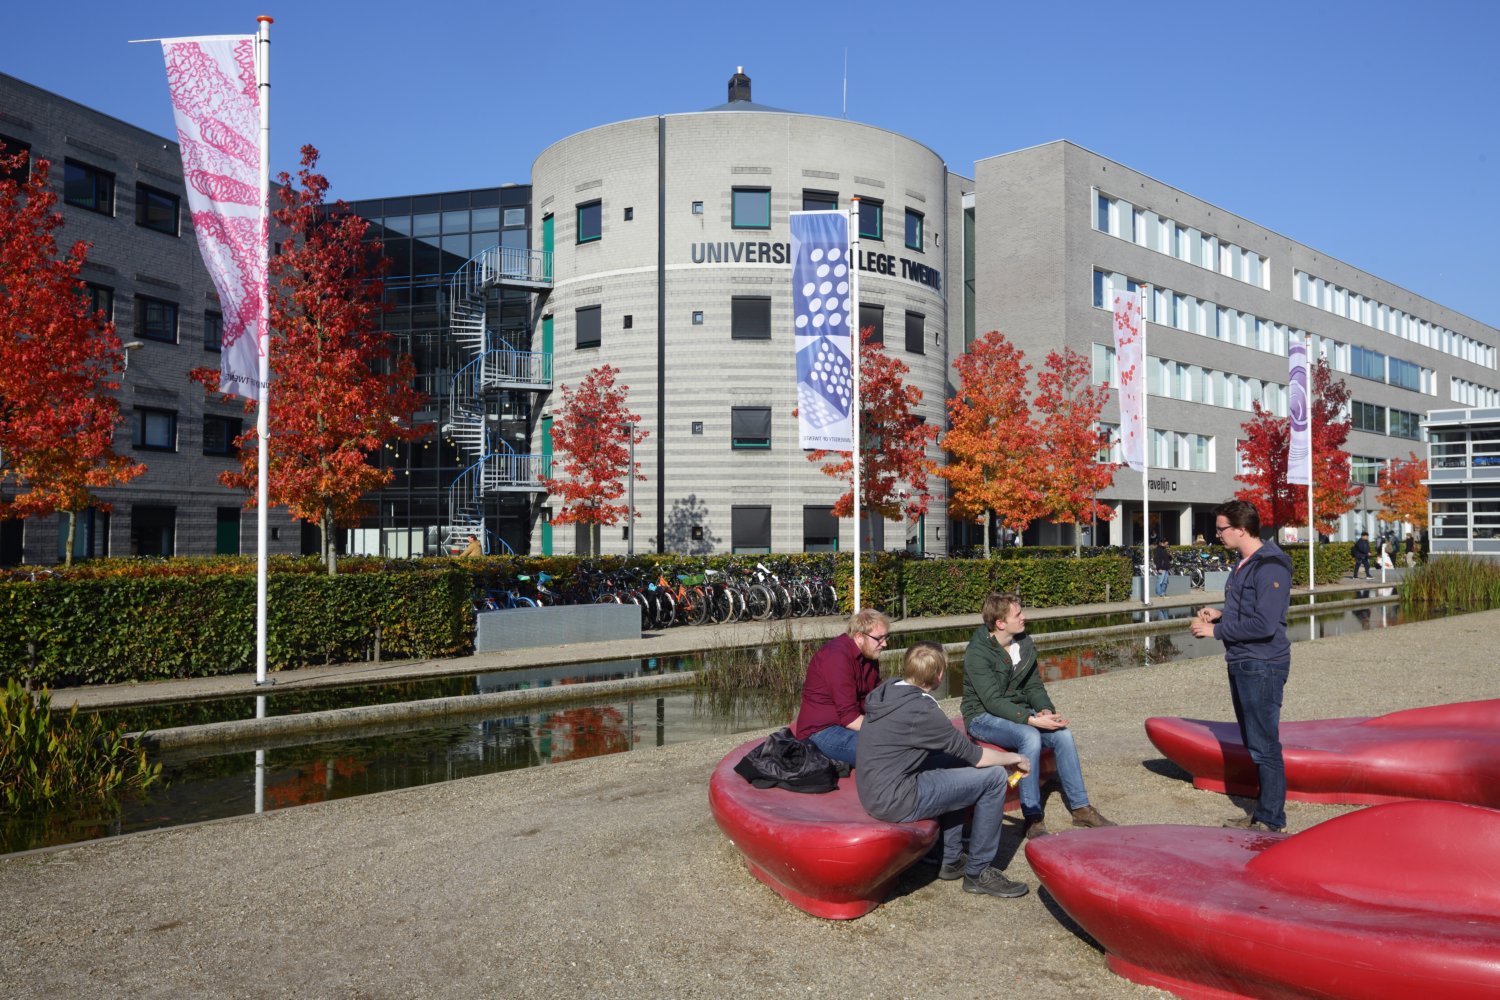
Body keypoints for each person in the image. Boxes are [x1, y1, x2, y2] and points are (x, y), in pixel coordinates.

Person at [856, 641, 1031, 899]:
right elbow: (978, 757)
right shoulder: (923, 711)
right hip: (895, 799)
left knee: (956, 763)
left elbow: (958, 754)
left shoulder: (890, 691)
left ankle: (949, 858)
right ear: (939, 675)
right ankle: (978, 872)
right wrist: (1015, 758)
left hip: (875, 790)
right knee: (993, 778)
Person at [961, 592, 1116, 838]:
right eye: (1018, 614)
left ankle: (1081, 808)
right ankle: (1032, 816)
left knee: (1063, 735)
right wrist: (1032, 720)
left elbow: (1033, 686)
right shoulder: (977, 652)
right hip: (982, 716)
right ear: (1000, 623)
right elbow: (991, 701)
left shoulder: (1023, 643)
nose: (1024, 617)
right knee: (1030, 737)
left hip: (1016, 712)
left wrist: (1045, 710)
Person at [1189, 500, 1293, 833]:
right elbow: (1250, 612)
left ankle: (1271, 819)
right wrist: (1221, 613)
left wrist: (1216, 630)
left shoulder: (1270, 566)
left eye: (1221, 529)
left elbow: (1264, 624)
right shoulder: (1245, 564)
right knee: (1255, 742)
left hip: (1261, 664)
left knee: (1264, 745)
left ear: (1241, 529)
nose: (1216, 534)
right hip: (1244, 662)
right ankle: (1263, 812)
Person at [791, 609, 888, 765]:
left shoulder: (869, 653)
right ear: (859, 637)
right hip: (820, 731)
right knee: (883, 750)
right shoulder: (836, 657)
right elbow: (850, 718)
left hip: (847, 725)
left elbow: (878, 695)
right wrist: (888, 729)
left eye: (885, 637)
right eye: (879, 638)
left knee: (904, 741)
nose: (884, 644)